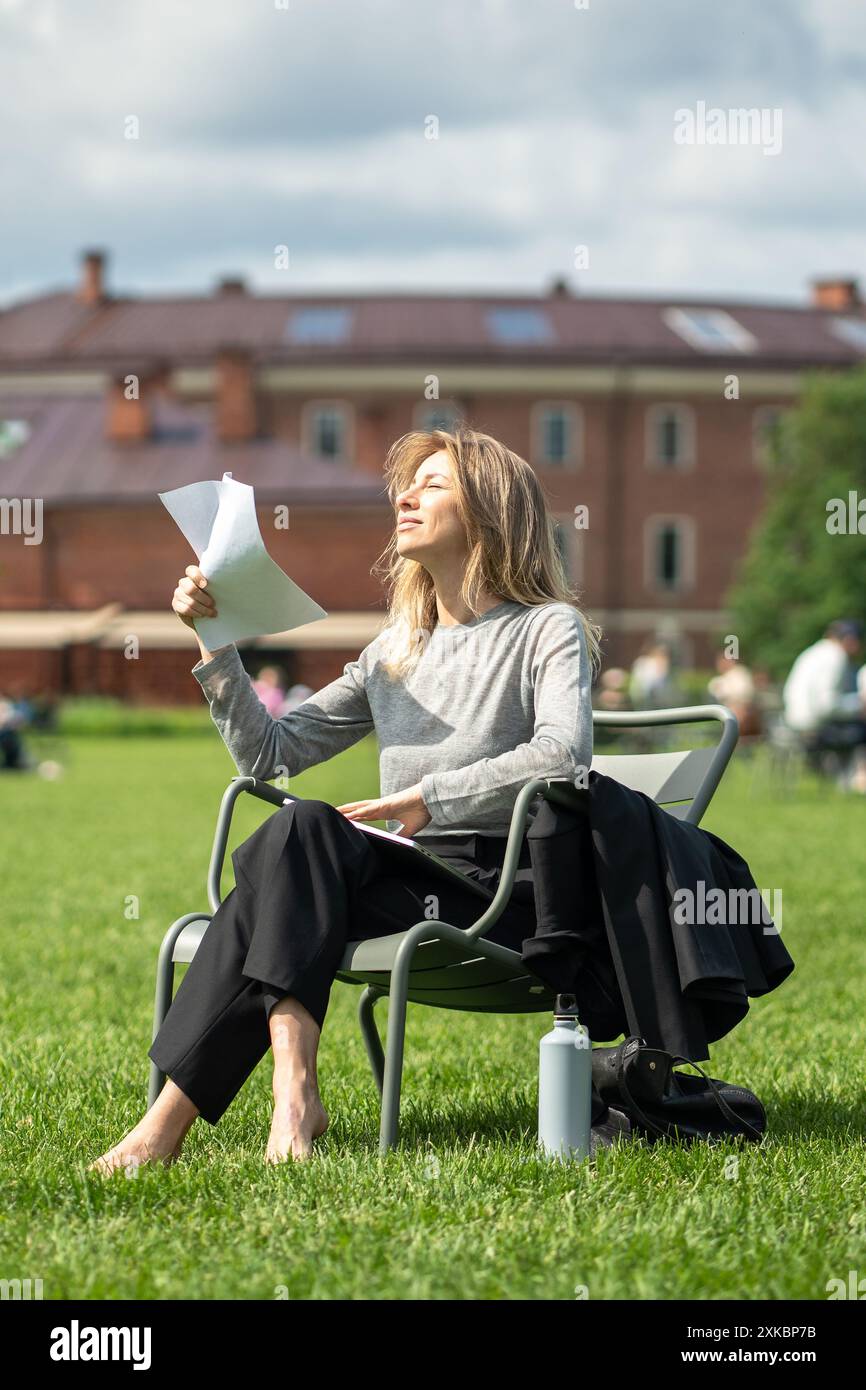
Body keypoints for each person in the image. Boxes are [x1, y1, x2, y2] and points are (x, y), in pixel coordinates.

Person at [89, 426, 606, 1175]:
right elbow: (270, 754)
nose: (405, 495)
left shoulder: (544, 628)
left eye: (433, 483)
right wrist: (213, 640)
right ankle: (285, 1092)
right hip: (398, 881)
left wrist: (432, 795)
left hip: (497, 895)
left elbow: (565, 753)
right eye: (406, 483)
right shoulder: (394, 650)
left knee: (281, 866)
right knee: (297, 837)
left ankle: (170, 1126)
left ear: (492, 509)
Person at [782, 619, 866, 786]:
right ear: (850, 640)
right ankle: (850, 783)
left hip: (794, 722)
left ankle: (849, 781)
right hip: (813, 727)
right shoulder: (835, 657)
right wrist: (858, 705)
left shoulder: (814, 652)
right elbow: (826, 706)